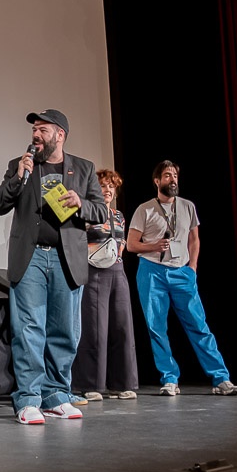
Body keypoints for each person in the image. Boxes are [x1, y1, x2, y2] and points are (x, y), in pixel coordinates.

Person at [0, 109, 108, 425]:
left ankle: (57, 395)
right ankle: (28, 399)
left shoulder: (83, 169)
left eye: (42, 129)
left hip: (65, 258)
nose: (35, 135)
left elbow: (102, 212)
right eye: (34, 130)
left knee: (65, 330)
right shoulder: (22, 165)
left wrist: (81, 203)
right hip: (30, 257)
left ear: (60, 134)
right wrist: (18, 177)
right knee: (29, 329)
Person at [126, 160, 237, 397]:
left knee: (198, 325)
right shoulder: (144, 209)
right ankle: (169, 379)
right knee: (157, 327)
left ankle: (221, 378)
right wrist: (154, 245)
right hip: (152, 271)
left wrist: (193, 268)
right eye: (167, 176)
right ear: (157, 181)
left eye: (175, 175)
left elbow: (194, 239)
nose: (173, 179)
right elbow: (131, 245)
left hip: (182, 272)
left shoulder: (188, 206)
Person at [72, 169, 139, 401]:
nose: (108, 190)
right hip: (92, 273)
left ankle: (121, 383)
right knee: (94, 328)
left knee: (122, 326)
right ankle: (91, 384)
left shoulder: (119, 215)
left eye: (112, 186)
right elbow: (77, 242)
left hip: (117, 272)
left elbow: (121, 243)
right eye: (103, 185)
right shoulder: (86, 213)